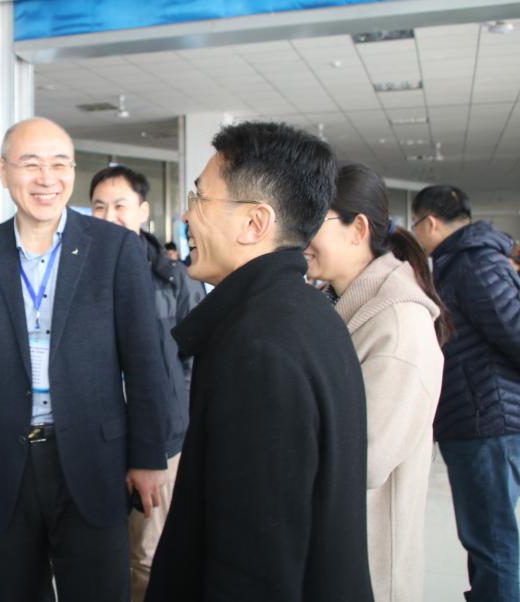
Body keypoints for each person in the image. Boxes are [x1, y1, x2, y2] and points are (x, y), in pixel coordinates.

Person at [0, 117, 169, 602]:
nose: (46, 178)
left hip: (95, 459)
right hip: (6, 463)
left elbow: (143, 362)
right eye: (31, 164)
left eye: (60, 164)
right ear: (2, 170)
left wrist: (148, 457)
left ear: (73, 171)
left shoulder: (114, 249)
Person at [145, 121, 373, 602]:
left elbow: (253, 562)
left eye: (199, 198)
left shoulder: (257, 348)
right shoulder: (307, 312)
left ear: (255, 223)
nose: (186, 215)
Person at [305, 163, 449, 602]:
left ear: (358, 229)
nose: (300, 237)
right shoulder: (333, 302)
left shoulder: (399, 325)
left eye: (314, 222)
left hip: (367, 564)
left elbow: (365, 458)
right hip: (330, 547)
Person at [88, 164, 204, 602]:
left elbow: (194, 360)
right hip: (93, 438)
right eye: (99, 207)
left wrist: (174, 417)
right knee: (95, 549)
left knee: (148, 553)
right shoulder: (74, 276)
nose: (109, 216)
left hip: (161, 442)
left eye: (120, 206)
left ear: (143, 211)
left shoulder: (174, 279)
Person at [410, 184, 520, 602]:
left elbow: (513, 328)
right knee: (485, 539)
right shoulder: (463, 260)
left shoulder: (472, 262)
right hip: (479, 416)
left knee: (492, 542)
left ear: (430, 223)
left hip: (486, 419)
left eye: (415, 225)